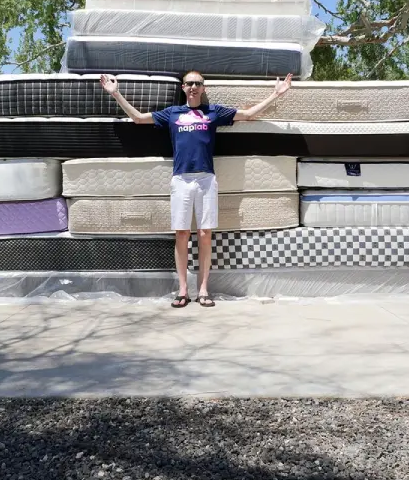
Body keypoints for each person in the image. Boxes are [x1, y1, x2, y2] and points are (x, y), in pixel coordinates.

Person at [100, 70, 293, 308]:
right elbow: (139, 118)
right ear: (183, 87)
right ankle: (182, 290)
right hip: (181, 179)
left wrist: (276, 94)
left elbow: (248, 115)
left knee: (204, 234)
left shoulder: (213, 112)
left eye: (197, 83)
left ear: (203, 88)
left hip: (206, 179)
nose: (193, 87)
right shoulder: (172, 113)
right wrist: (116, 93)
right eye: (189, 83)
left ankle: (203, 289)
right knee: (181, 233)